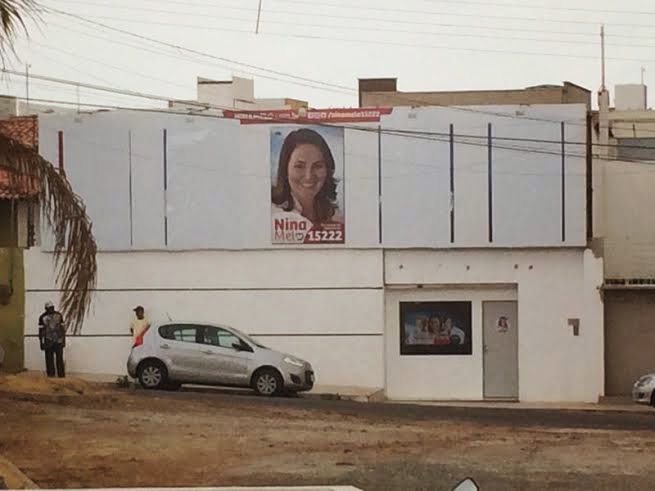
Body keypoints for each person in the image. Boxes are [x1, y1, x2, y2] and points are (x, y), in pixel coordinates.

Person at [271, 128, 343, 226]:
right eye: (299, 166)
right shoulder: (273, 215)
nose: (308, 176)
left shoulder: (336, 216)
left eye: (318, 166)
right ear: (285, 169)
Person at [38, 301, 66, 378]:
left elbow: (62, 329)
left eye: (52, 308)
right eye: (49, 308)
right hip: (48, 340)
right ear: (46, 309)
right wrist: (41, 342)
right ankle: (51, 374)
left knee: (59, 358)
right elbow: (41, 331)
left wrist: (63, 340)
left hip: (58, 340)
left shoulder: (59, 315)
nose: (51, 309)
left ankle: (61, 374)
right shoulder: (42, 317)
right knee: (49, 358)